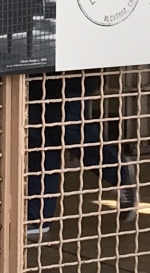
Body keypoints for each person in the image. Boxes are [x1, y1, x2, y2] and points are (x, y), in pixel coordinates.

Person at [26, 73, 137, 239]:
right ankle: (37, 216)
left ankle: (117, 169)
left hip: (69, 74)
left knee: (68, 128)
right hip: (37, 73)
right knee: (40, 137)